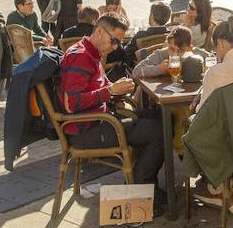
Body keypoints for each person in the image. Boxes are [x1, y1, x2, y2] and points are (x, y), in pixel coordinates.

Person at [58, 13, 167, 214]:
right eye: (114, 40)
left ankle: (142, 186)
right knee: (158, 131)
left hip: (100, 119)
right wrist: (109, 92)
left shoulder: (91, 53)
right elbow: (71, 103)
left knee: (159, 117)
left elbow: (97, 87)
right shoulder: (80, 57)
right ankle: (142, 192)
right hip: (85, 130)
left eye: (118, 42)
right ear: (99, 31)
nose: (116, 46)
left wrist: (116, 88)